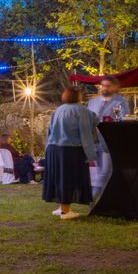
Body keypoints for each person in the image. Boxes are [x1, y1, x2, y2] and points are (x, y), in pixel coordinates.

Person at [43, 86, 98, 220]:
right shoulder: (81, 110)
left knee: (58, 177)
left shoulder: (58, 110)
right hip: (70, 150)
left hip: (53, 149)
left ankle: (62, 208)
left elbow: (49, 131)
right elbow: (86, 132)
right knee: (68, 178)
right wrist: (91, 153)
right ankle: (66, 211)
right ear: (79, 96)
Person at [86, 75, 130, 199]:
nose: (104, 88)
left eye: (108, 86)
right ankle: (105, 202)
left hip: (109, 142)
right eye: (103, 85)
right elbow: (87, 119)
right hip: (94, 142)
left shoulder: (120, 101)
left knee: (105, 172)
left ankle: (92, 198)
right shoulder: (92, 101)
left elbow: (123, 119)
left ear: (115, 87)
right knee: (101, 172)